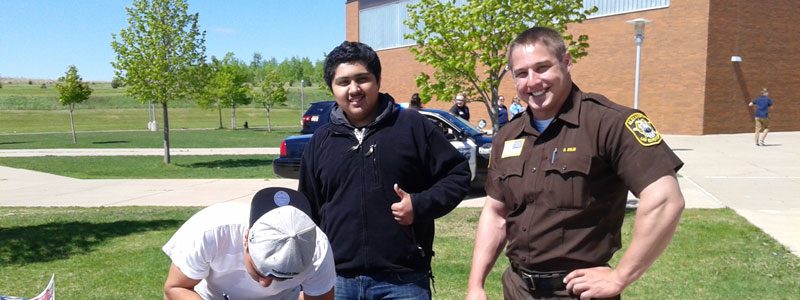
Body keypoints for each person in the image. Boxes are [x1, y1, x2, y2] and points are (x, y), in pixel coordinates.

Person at [466, 26, 685, 300]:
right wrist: (476, 285)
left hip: (576, 292)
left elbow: (665, 199)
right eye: (521, 73)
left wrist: (621, 276)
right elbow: (496, 213)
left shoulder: (610, 123)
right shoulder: (508, 135)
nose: (533, 82)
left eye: (542, 68)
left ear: (567, 62)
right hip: (517, 289)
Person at [298, 41, 471, 299]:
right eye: (343, 82)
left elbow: (457, 175)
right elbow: (308, 210)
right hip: (336, 280)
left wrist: (420, 205)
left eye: (362, 79)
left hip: (404, 280)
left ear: (377, 81)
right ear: (332, 88)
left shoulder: (412, 126)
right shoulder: (321, 141)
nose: (354, 89)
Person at [162, 187, 336, 300]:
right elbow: (175, 287)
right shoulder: (211, 229)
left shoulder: (318, 249)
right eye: (260, 272)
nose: (265, 284)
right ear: (245, 239)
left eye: (281, 277)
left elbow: (319, 297)